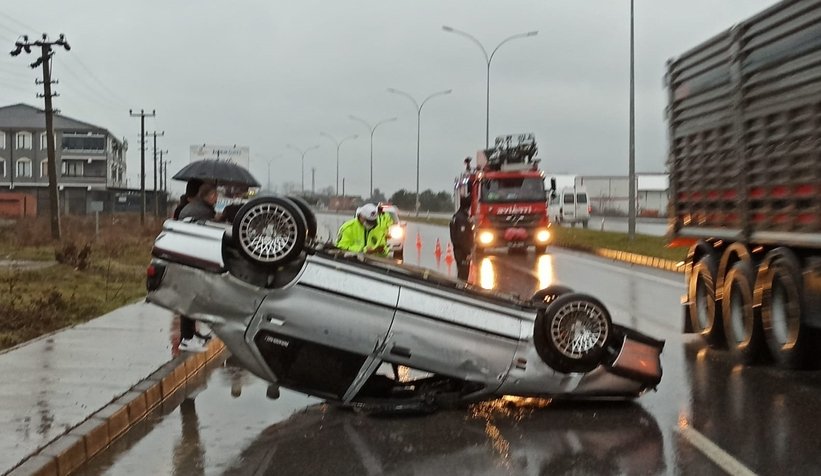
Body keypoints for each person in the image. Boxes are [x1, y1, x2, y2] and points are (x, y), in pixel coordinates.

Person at [176, 183, 219, 352]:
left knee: (191, 298)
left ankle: (191, 335)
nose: (217, 199)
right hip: (193, 258)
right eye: (215, 195)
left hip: (186, 256)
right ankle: (187, 338)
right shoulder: (203, 212)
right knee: (190, 299)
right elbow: (207, 235)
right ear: (208, 196)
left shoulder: (191, 208)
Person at [450, 196, 474, 280]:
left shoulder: (455, 216)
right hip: (462, 252)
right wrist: (468, 252)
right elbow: (462, 237)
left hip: (457, 250)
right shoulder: (462, 219)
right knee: (463, 275)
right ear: (468, 206)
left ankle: (459, 288)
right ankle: (461, 291)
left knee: (460, 272)